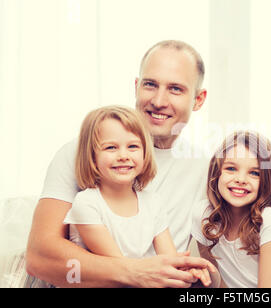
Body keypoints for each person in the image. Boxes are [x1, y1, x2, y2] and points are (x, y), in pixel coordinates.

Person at [26, 40, 212, 288]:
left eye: (175, 89)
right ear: (136, 87)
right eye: (150, 84)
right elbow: (39, 259)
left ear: (198, 99)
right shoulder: (81, 151)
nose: (158, 100)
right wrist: (134, 273)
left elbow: (221, 262)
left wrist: (200, 276)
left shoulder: (208, 169)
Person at [63, 105, 214, 287]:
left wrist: (186, 272)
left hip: (138, 281)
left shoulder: (152, 201)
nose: (123, 155)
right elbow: (122, 269)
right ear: (92, 157)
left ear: (145, 153)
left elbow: (169, 258)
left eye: (133, 146)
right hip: (112, 282)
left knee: (202, 282)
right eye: (111, 147)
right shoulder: (86, 203)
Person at [192, 131, 271, 288]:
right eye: (231, 169)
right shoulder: (203, 215)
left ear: (266, 180)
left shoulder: (269, 219)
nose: (240, 179)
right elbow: (216, 281)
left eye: (254, 173)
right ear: (216, 172)